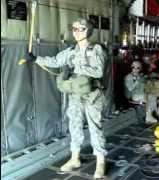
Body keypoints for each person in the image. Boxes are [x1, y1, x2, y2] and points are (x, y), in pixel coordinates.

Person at [24, 18, 107, 178]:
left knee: (94, 127)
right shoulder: (71, 50)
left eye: (80, 29)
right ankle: (75, 158)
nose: (76, 32)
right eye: (74, 28)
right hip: (76, 93)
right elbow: (55, 61)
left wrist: (77, 64)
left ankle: (100, 161)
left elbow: (99, 72)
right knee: (74, 125)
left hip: (92, 95)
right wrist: (35, 59)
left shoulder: (96, 49)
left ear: (88, 31)